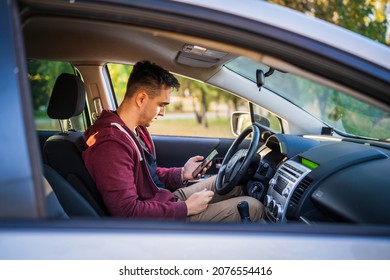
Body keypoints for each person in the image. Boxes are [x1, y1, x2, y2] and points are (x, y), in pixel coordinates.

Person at [82, 60, 263, 222]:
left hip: (163, 201)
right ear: (141, 98)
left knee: (230, 183)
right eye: (161, 105)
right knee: (253, 207)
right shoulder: (111, 144)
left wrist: (182, 174)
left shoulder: (134, 129)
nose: (163, 112)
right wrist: (185, 208)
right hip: (161, 220)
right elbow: (127, 212)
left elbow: (145, 175)